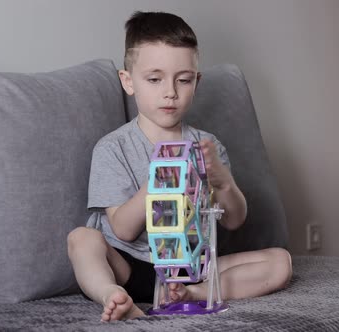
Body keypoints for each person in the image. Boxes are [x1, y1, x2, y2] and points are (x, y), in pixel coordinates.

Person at [67, 11, 292, 322]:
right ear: (129, 82)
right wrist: (157, 182)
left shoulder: (207, 146)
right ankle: (112, 295)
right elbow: (123, 229)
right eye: (155, 79)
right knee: (81, 239)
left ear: (196, 83)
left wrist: (224, 183)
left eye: (183, 79)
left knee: (280, 262)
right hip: (130, 265)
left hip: (192, 267)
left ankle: (193, 295)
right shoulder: (113, 147)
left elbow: (235, 220)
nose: (170, 91)